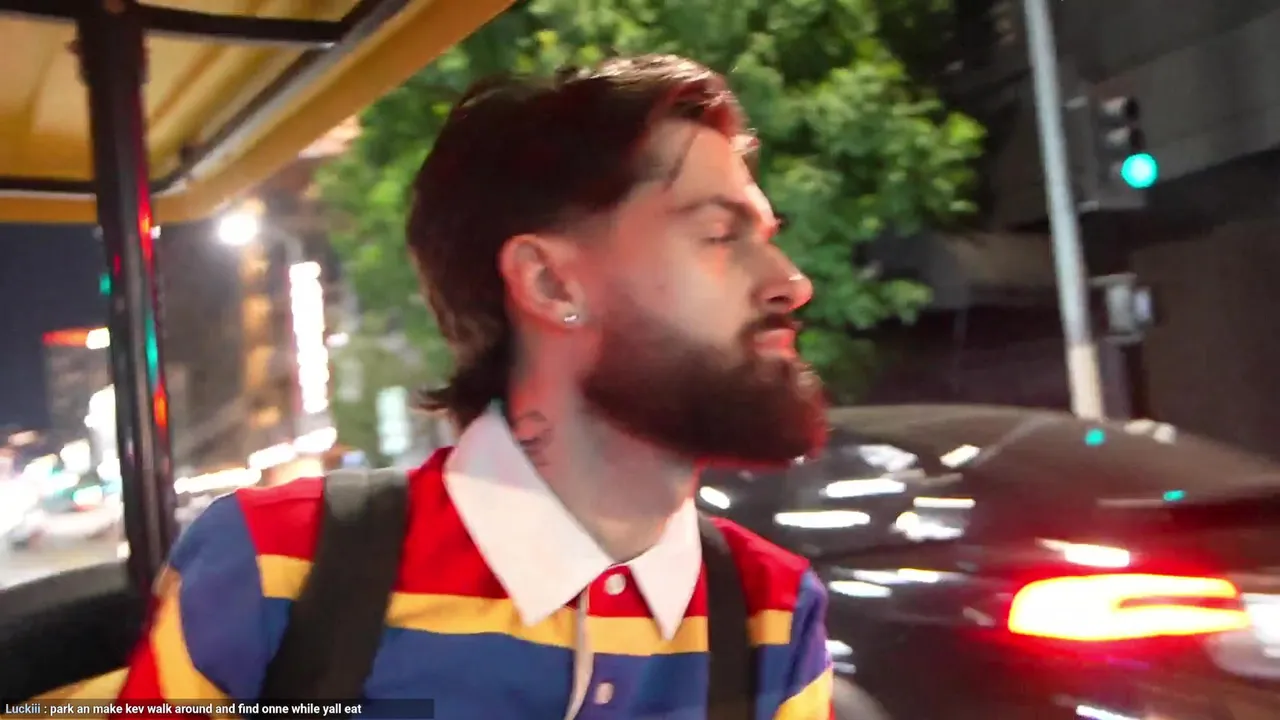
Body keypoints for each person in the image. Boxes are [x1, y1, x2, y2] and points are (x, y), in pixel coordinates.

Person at [116, 54, 834, 718]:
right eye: (719, 235)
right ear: (550, 283)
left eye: (768, 236)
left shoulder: (774, 613)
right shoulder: (275, 564)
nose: (792, 283)